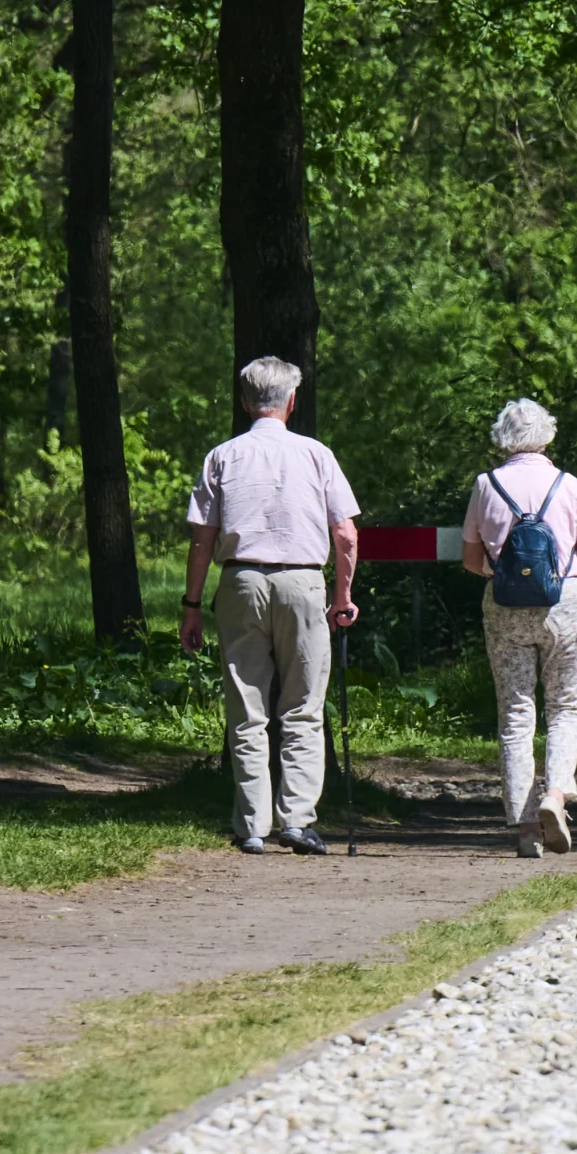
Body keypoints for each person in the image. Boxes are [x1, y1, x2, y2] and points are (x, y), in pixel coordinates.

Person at [180, 357, 360, 853]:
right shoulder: (317, 455)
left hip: (240, 580)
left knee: (247, 708)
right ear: (292, 401)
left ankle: (253, 825)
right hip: (302, 582)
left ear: (244, 402)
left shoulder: (222, 456)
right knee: (303, 706)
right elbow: (345, 533)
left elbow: (202, 539)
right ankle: (297, 819)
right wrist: (342, 595)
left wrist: (192, 605)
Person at [460, 398, 577, 858]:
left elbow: (470, 559)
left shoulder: (486, 485)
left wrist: (503, 577)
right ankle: (556, 795)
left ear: (502, 438)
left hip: (505, 607)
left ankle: (526, 830)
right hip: (564, 601)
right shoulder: (567, 484)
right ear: (547, 435)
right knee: (565, 707)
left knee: (515, 715)